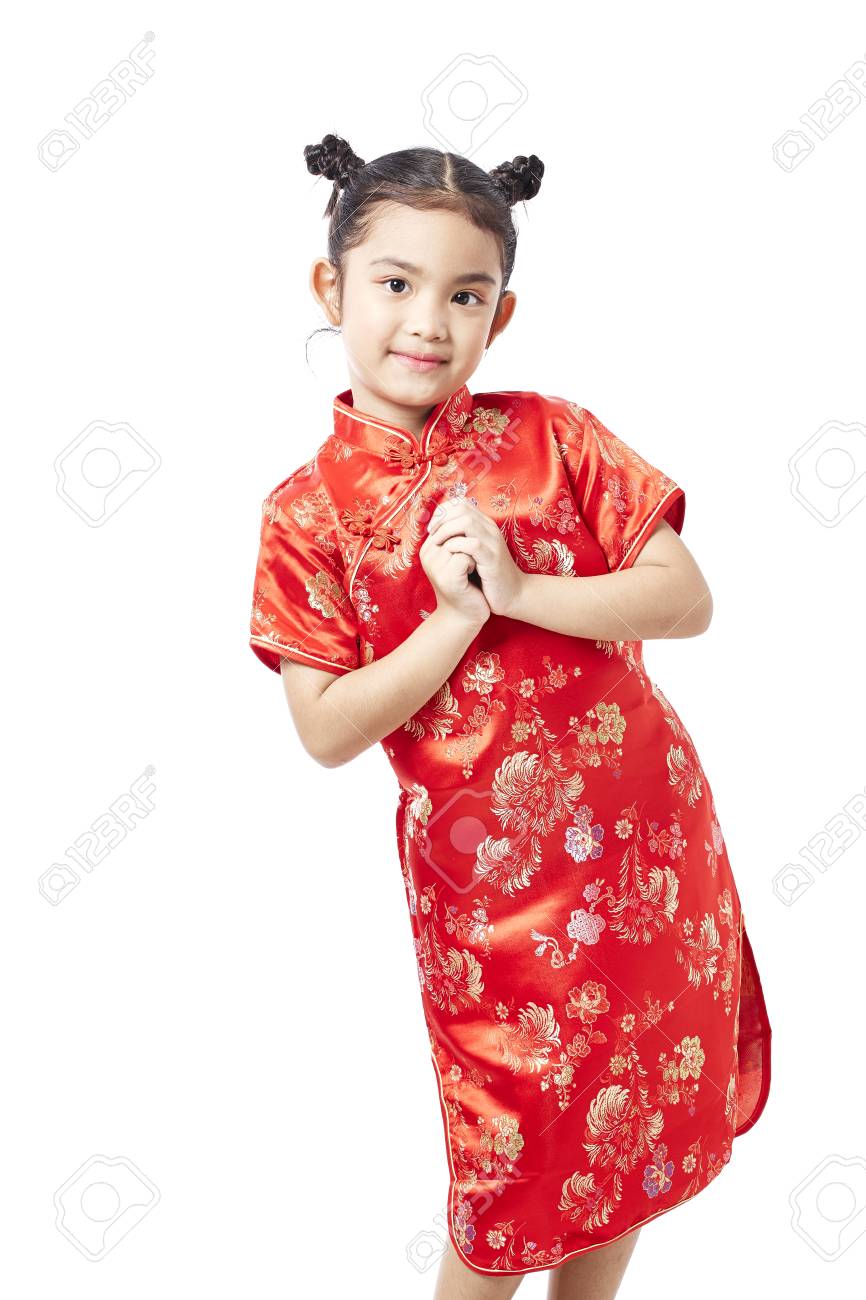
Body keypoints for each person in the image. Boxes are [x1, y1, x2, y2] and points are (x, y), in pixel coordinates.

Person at [248, 133, 772, 1299]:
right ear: (330, 287)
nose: (427, 320)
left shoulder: (553, 436)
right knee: (510, 1172)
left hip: (647, 851)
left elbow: (684, 597)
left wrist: (522, 588)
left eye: (464, 294)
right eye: (395, 282)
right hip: (492, 902)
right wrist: (451, 622)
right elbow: (323, 729)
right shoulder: (305, 514)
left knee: (625, 1130)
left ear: (502, 312)